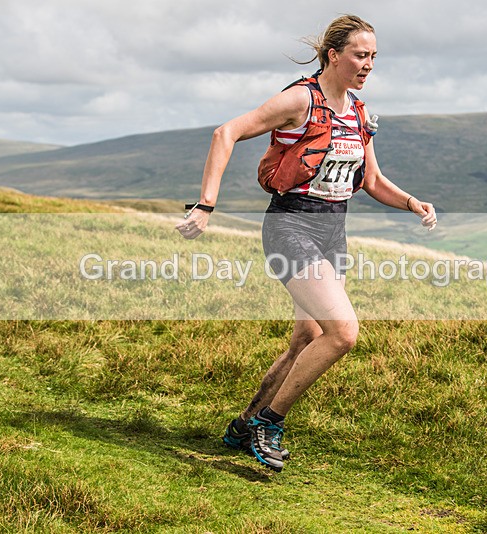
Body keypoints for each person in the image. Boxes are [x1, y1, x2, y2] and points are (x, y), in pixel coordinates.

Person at [175, 14, 437, 472]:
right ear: (334, 55)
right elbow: (226, 132)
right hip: (291, 226)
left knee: (307, 336)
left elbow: (371, 181)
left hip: (333, 230)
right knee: (343, 333)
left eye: (374, 56)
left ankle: (243, 424)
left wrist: (412, 202)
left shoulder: (357, 112)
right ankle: (270, 424)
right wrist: (205, 204)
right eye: (360, 54)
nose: (369, 64)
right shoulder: (300, 98)